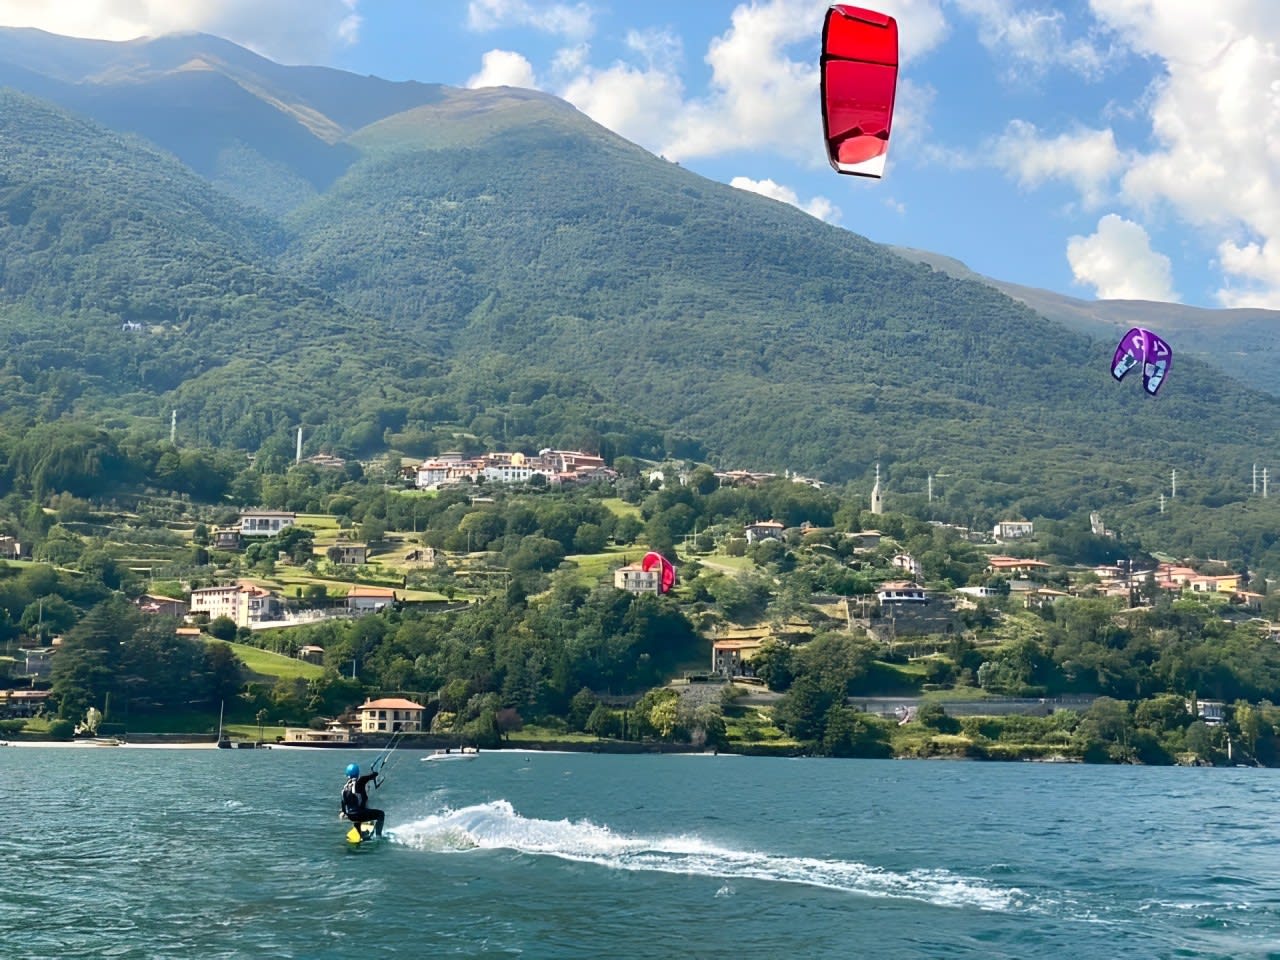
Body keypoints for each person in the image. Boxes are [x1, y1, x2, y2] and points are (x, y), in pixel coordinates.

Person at [340, 762, 385, 838]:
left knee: (357, 815)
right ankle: (378, 836)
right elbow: (373, 775)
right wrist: (376, 772)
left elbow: (343, 805)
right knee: (381, 814)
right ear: (357, 773)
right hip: (360, 814)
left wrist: (344, 813)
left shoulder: (344, 788)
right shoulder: (361, 780)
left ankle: (359, 833)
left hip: (351, 816)